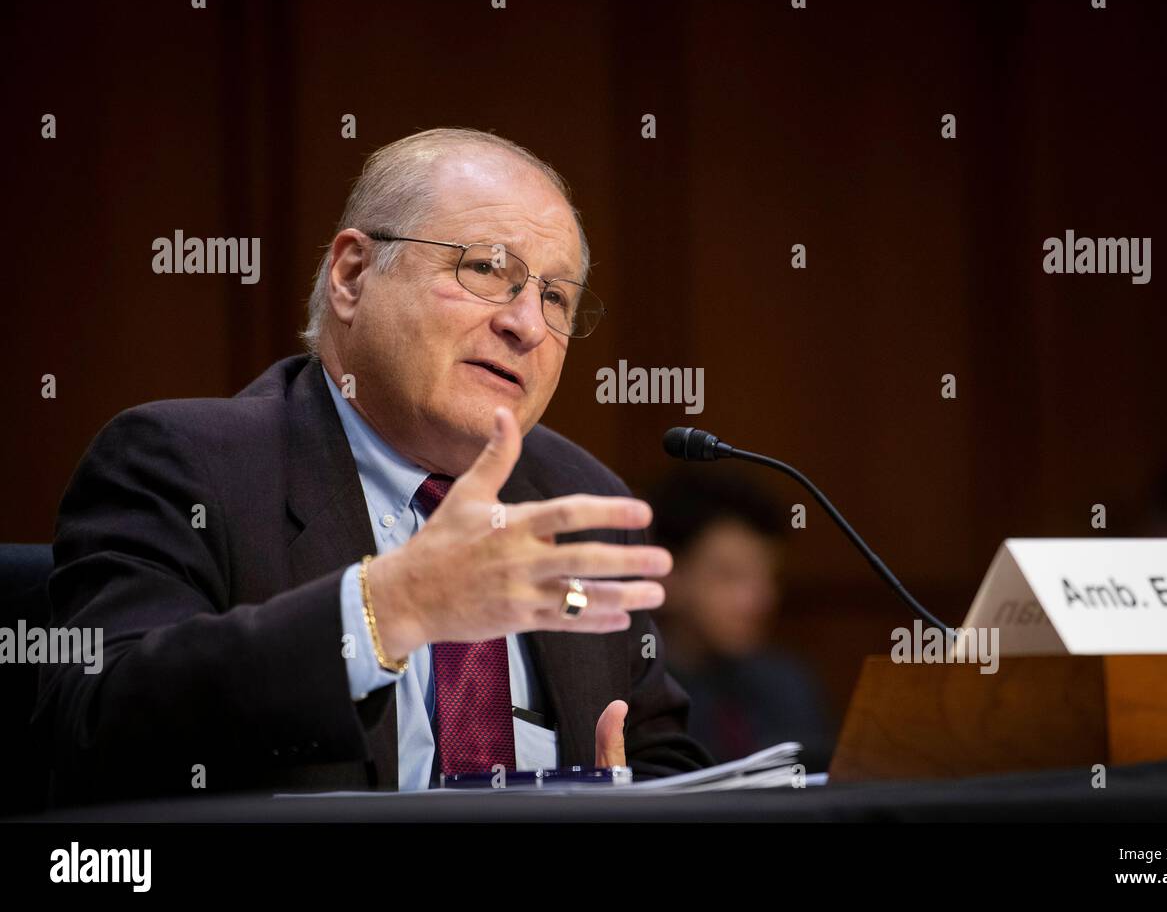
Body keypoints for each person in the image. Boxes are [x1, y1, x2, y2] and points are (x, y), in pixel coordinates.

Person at [35, 128, 711, 804]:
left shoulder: (580, 500)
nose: (527, 325)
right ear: (353, 275)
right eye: (484, 269)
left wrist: (625, 812)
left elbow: (661, 756)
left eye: (557, 297)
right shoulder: (185, 465)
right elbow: (96, 725)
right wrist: (389, 608)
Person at [648, 468, 834, 772]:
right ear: (667, 574)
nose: (759, 600)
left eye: (767, 577)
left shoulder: (787, 684)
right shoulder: (632, 694)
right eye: (730, 576)